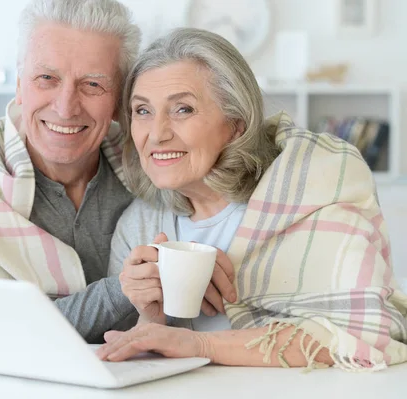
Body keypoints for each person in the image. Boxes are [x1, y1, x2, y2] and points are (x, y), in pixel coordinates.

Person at [96, 28, 407, 370]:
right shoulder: (139, 225)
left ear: (237, 123)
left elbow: (360, 337)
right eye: (142, 111)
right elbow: (138, 355)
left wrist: (200, 343)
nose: (157, 133)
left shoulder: (314, 190)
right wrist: (149, 317)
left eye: (182, 109)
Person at [0, 0, 237, 343]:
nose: (65, 107)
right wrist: (124, 289)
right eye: (46, 78)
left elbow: (254, 139)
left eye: (92, 84)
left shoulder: (151, 156)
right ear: (19, 85)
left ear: (121, 99)